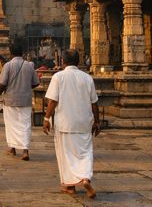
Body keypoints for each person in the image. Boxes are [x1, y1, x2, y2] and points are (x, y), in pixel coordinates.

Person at [43, 48, 100, 199]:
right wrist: (97, 121)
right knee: (85, 153)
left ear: (63, 61)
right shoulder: (87, 78)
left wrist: (46, 118)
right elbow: (94, 103)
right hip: (84, 123)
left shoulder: (58, 77)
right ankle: (86, 178)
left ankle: (70, 186)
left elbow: (53, 101)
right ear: (79, 61)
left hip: (65, 123)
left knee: (66, 154)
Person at [0, 43, 39, 161]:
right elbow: (36, 83)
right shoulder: (29, 66)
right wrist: (26, 88)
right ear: (22, 53)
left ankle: (13, 148)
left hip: (10, 99)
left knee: (11, 125)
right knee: (25, 125)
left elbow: (2, 84)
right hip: (25, 99)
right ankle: (25, 150)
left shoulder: (8, 66)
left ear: (11, 53)